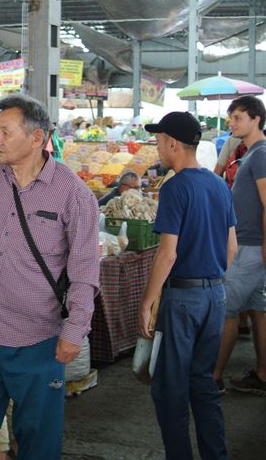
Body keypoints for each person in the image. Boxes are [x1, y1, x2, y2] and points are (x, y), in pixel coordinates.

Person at [0, 94, 100, 459]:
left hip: (38, 339)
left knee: (37, 438)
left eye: (5, 131)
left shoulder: (73, 194)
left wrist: (74, 330)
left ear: (36, 138)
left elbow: (84, 272)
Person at [138, 111, 235, 460]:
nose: (158, 147)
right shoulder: (218, 184)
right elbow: (232, 248)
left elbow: (167, 254)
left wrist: (148, 300)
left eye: (159, 141)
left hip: (183, 299)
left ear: (173, 144)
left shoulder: (176, 187)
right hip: (215, 296)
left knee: (170, 390)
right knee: (203, 383)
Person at [212, 95, 266, 396]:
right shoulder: (250, 153)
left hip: (250, 246)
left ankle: (213, 377)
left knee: (227, 309)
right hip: (251, 245)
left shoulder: (260, 155)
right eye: (231, 118)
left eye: (238, 118)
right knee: (258, 309)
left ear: (256, 119)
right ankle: (262, 374)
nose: (232, 123)